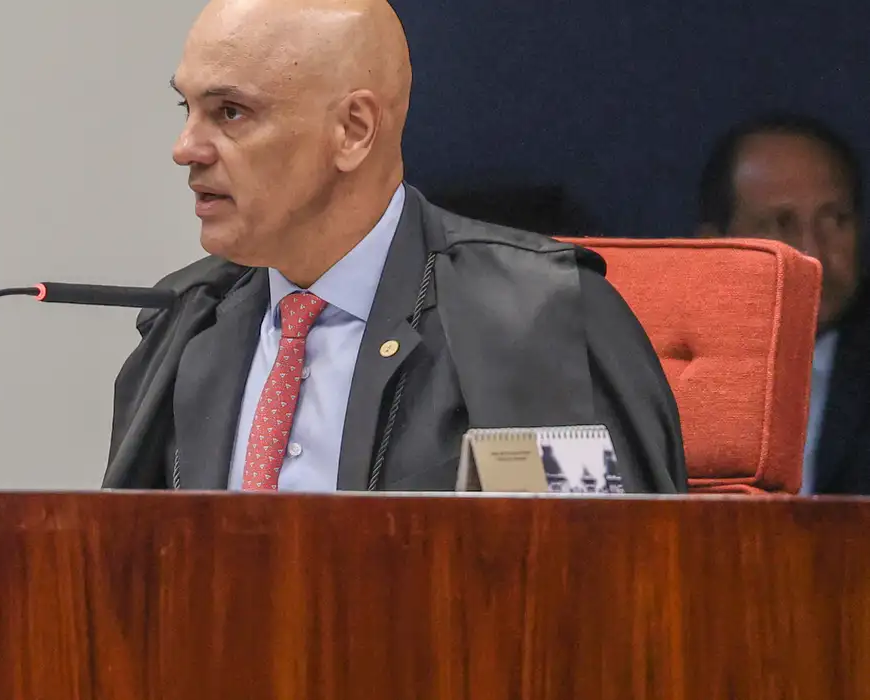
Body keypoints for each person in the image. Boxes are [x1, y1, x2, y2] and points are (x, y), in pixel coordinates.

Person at [104, 0, 687, 494]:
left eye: (230, 112)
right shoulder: (188, 319)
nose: (186, 148)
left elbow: (608, 580)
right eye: (189, 108)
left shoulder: (535, 319)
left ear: (354, 130)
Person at [697, 113, 870, 494]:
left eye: (835, 220)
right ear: (714, 246)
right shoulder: (670, 371)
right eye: (780, 223)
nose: (812, 252)